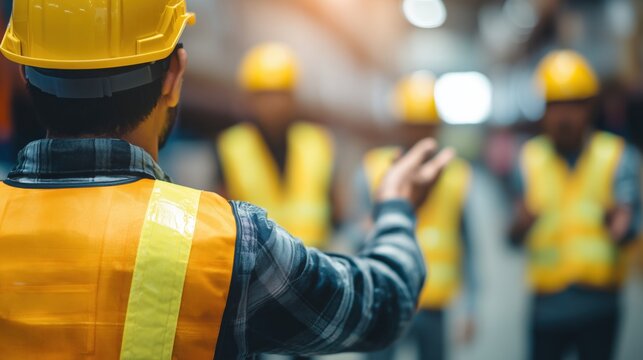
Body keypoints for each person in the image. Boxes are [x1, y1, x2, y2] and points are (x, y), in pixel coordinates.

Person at [0, 1, 456, 359]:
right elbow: (380, 306)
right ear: (174, 75)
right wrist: (396, 208)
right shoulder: (230, 246)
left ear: (22, 72)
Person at [510, 50, 641, 360]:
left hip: (600, 306)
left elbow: (632, 230)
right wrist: (519, 225)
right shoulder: (527, 160)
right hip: (546, 307)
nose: (564, 116)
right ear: (543, 111)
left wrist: (623, 228)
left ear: (589, 108)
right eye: (555, 106)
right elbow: (512, 237)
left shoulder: (619, 157)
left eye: (573, 105)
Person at [363, 71, 477, 360]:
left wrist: (470, 307)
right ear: (399, 127)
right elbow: (353, 232)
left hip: (434, 305)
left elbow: (469, 246)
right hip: (381, 299)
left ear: (437, 127)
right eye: (411, 126)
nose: (417, 135)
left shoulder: (457, 176)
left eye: (425, 126)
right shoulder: (372, 170)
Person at [217, 43, 335, 250]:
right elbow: (220, 214)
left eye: (281, 94)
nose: (274, 104)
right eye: (264, 95)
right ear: (249, 99)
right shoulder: (231, 146)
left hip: (314, 263)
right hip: (256, 268)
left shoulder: (317, 143)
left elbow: (337, 208)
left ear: (293, 97)